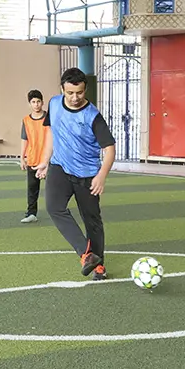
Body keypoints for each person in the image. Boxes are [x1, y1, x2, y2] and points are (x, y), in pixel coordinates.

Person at [36, 68, 116, 280]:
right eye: (70, 92)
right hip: (60, 167)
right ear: (62, 89)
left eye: (79, 92)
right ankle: (86, 254)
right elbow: (52, 132)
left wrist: (101, 175)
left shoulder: (93, 116)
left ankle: (99, 266)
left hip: (87, 175)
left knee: (92, 220)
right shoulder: (54, 104)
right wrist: (45, 161)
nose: (75, 97)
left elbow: (109, 149)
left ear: (85, 89)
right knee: (54, 208)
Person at [19, 89, 49, 223]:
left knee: (54, 189)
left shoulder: (49, 118)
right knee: (32, 189)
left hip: (49, 160)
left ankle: (59, 212)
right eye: (33, 102)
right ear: (29, 104)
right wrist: (22, 158)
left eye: (38, 101)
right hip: (32, 159)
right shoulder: (26, 120)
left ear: (42, 102)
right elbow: (24, 139)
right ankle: (31, 213)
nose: (36, 104)